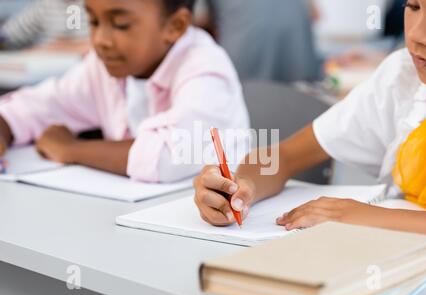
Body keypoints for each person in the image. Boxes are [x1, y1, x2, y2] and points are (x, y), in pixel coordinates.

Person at [193, 0, 426, 251]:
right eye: (413, 7)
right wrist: (242, 186)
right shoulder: (402, 78)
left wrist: (365, 217)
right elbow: (285, 156)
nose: (417, 35)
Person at [0, 0, 249, 183]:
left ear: (176, 25)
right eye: (94, 22)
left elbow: (168, 156)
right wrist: (4, 125)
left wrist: (71, 149)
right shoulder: (106, 67)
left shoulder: (205, 67)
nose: (100, 40)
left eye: (120, 25)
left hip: (217, 227)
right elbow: (42, 104)